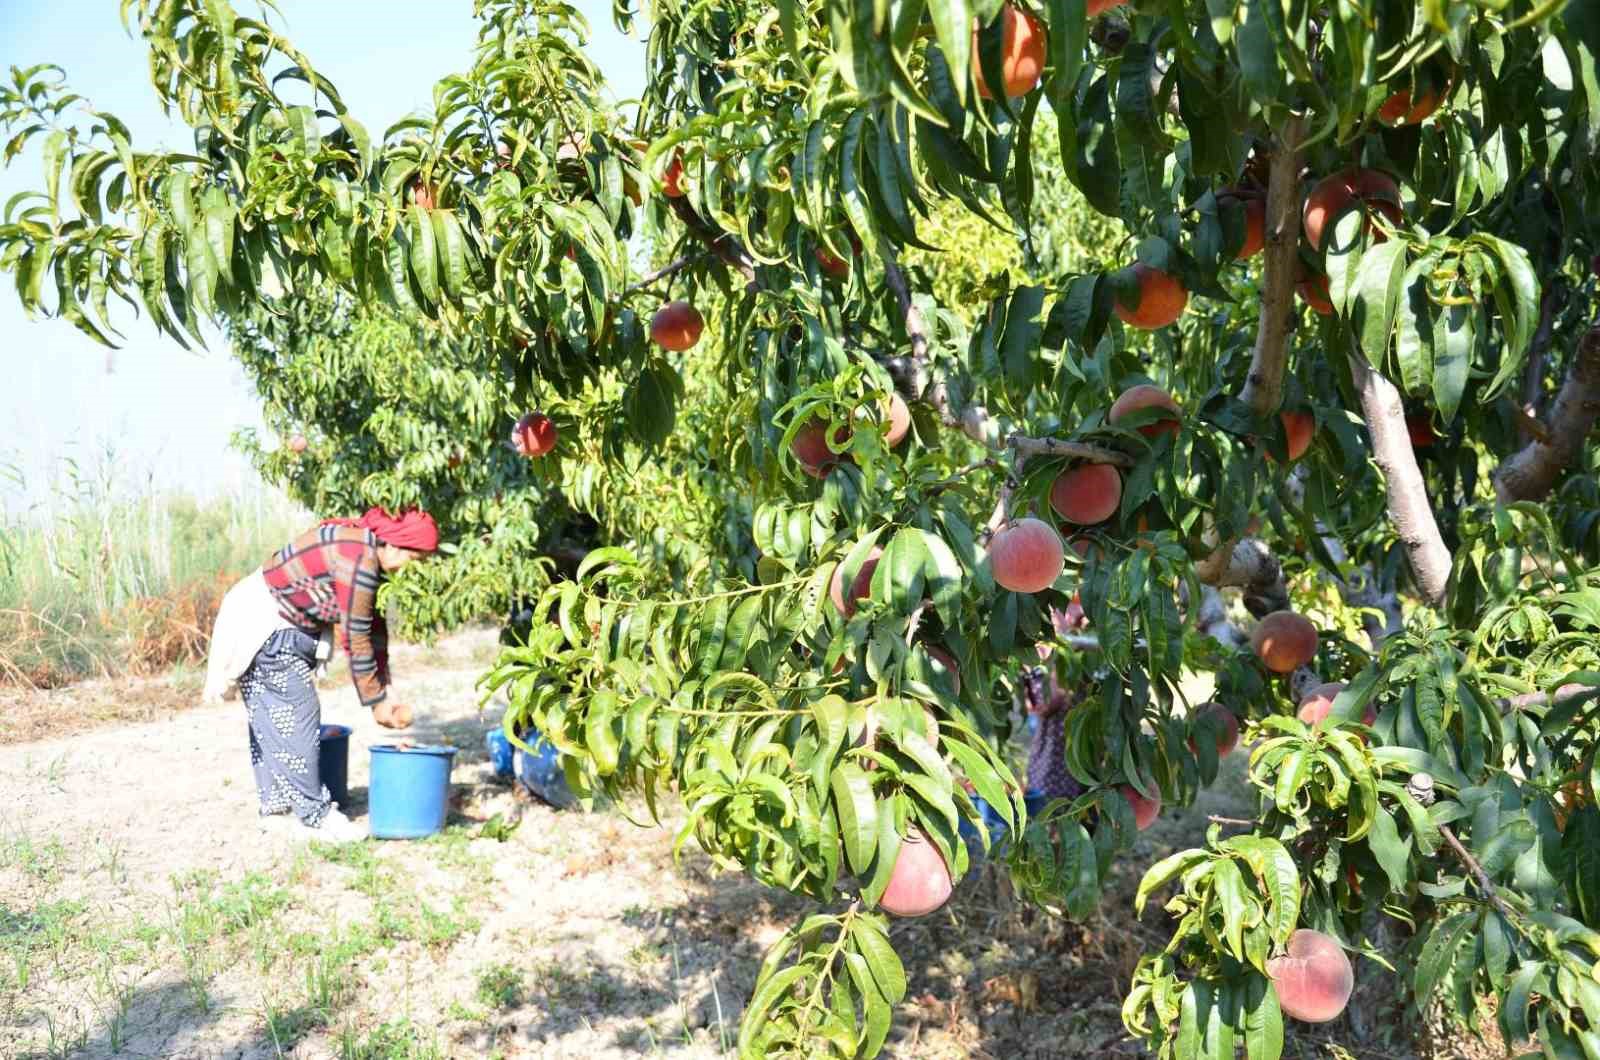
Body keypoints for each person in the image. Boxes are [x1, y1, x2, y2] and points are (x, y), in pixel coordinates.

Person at [205, 507, 440, 840]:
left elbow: (373, 626)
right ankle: (315, 817)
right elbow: (356, 635)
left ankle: (277, 811)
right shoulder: (359, 556)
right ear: (394, 544)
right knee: (295, 716)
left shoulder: (364, 549)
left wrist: (386, 689)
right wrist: (375, 701)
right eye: (413, 559)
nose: (409, 568)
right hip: (265, 623)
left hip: (264, 614)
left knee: (271, 720)